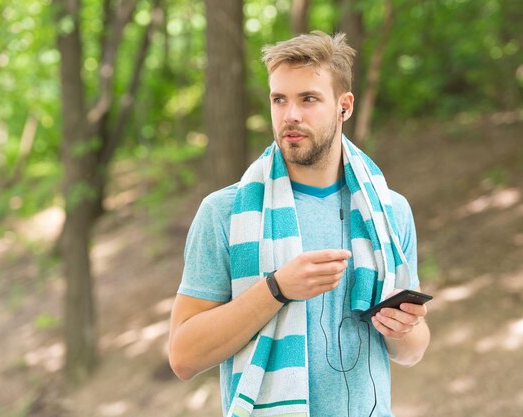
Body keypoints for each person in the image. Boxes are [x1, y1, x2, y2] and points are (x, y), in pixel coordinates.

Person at [169, 31, 430, 417]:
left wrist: (403, 327)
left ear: (345, 106)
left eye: (308, 99)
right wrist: (277, 289)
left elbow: (413, 352)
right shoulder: (224, 213)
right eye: (279, 100)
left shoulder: (388, 211)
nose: (291, 114)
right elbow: (183, 356)